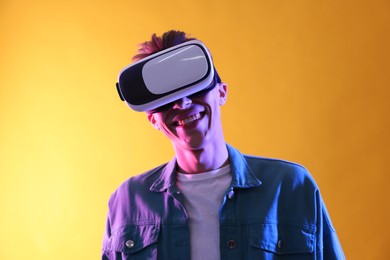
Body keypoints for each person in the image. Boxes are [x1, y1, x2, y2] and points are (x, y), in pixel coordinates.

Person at [102, 30, 345, 260]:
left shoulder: (291, 186)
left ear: (221, 92)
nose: (182, 103)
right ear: (153, 119)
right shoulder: (127, 201)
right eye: (166, 100)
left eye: (194, 88)